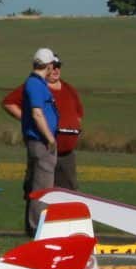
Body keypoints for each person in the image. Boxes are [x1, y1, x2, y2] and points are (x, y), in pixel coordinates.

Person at [0, 48, 61, 222]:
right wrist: (50, 138)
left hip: (40, 140)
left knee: (42, 184)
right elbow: (37, 113)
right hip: (41, 142)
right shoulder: (35, 84)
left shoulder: (37, 83)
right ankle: (38, 225)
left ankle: (37, 223)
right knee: (43, 186)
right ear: (48, 66)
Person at [45, 55, 84, 194]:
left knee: (69, 192)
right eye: (52, 67)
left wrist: (74, 129)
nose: (56, 70)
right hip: (46, 150)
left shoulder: (69, 89)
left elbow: (79, 114)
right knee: (44, 191)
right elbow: (10, 103)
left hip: (67, 154)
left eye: (58, 67)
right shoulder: (37, 87)